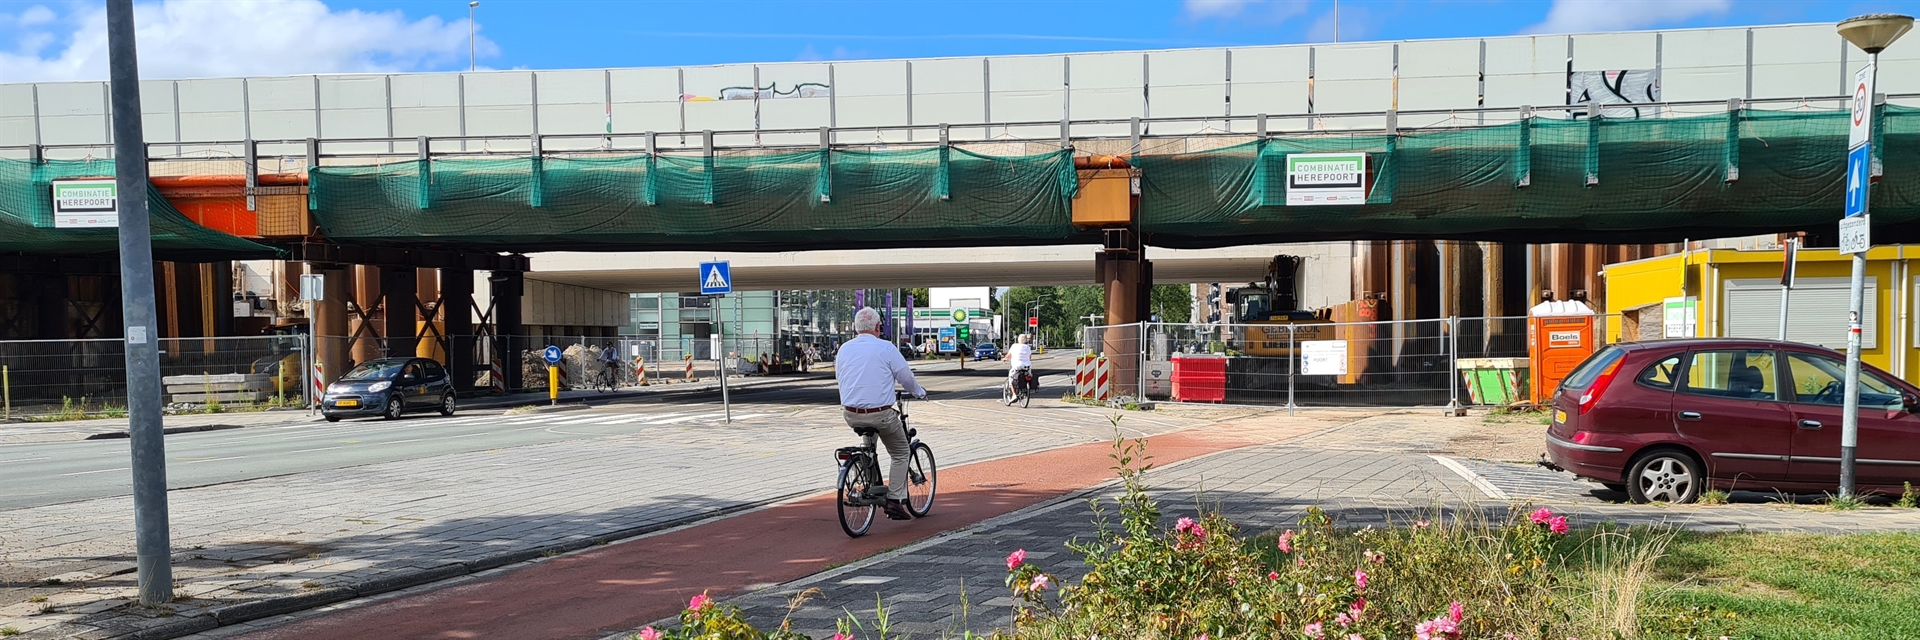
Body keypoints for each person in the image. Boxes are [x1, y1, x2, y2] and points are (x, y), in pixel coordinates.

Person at [835, 307, 928, 520]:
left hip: (850, 413)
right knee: (901, 452)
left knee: (870, 443)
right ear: (878, 327)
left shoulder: (844, 349)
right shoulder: (886, 348)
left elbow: (841, 377)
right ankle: (895, 500)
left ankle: (868, 479)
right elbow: (905, 376)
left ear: (856, 328)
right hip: (881, 415)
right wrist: (919, 392)